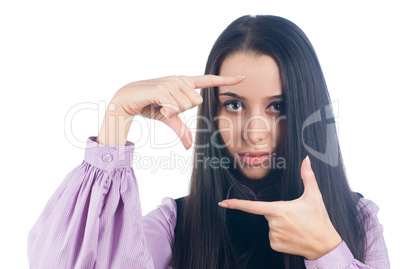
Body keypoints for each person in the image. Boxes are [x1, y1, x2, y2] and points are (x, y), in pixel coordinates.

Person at [27, 15, 390, 269]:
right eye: (234, 105)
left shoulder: (358, 220)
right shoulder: (175, 224)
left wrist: (327, 251)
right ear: (210, 114)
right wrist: (118, 114)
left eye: (278, 106)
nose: (254, 131)